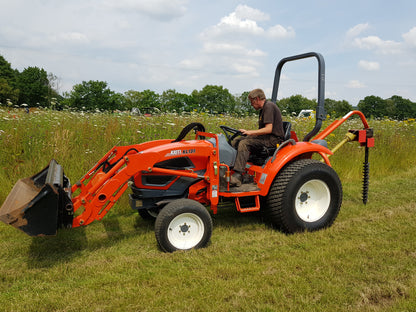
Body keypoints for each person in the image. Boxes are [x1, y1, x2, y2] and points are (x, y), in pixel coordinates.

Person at [230, 88, 285, 187]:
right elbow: (262, 131)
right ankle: (231, 168)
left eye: (252, 101)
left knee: (244, 143)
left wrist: (250, 132)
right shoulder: (263, 109)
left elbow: (268, 129)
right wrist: (247, 133)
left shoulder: (269, 107)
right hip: (265, 138)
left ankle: (238, 174)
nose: (251, 104)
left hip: (272, 140)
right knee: (238, 140)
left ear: (257, 99)